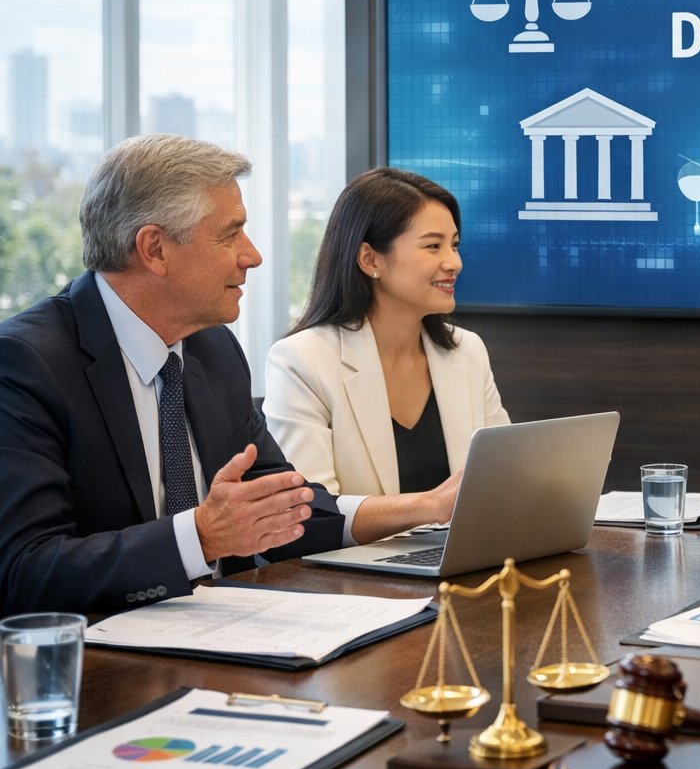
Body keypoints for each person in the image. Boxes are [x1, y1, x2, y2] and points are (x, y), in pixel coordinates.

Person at [0, 135, 457, 617]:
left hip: (227, 637)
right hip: (102, 664)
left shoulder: (213, 349)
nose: (252, 255)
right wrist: (201, 536)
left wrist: (427, 507)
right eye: (230, 233)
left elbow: (285, 504)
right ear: (154, 249)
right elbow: (24, 570)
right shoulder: (27, 362)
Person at [264, 168, 509, 498]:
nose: (454, 262)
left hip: (463, 550)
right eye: (433, 246)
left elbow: (505, 480)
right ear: (370, 259)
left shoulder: (468, 351)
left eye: (454, 245)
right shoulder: (301, 360)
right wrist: (428, 507)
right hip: (353, 552)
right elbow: (313, 510)